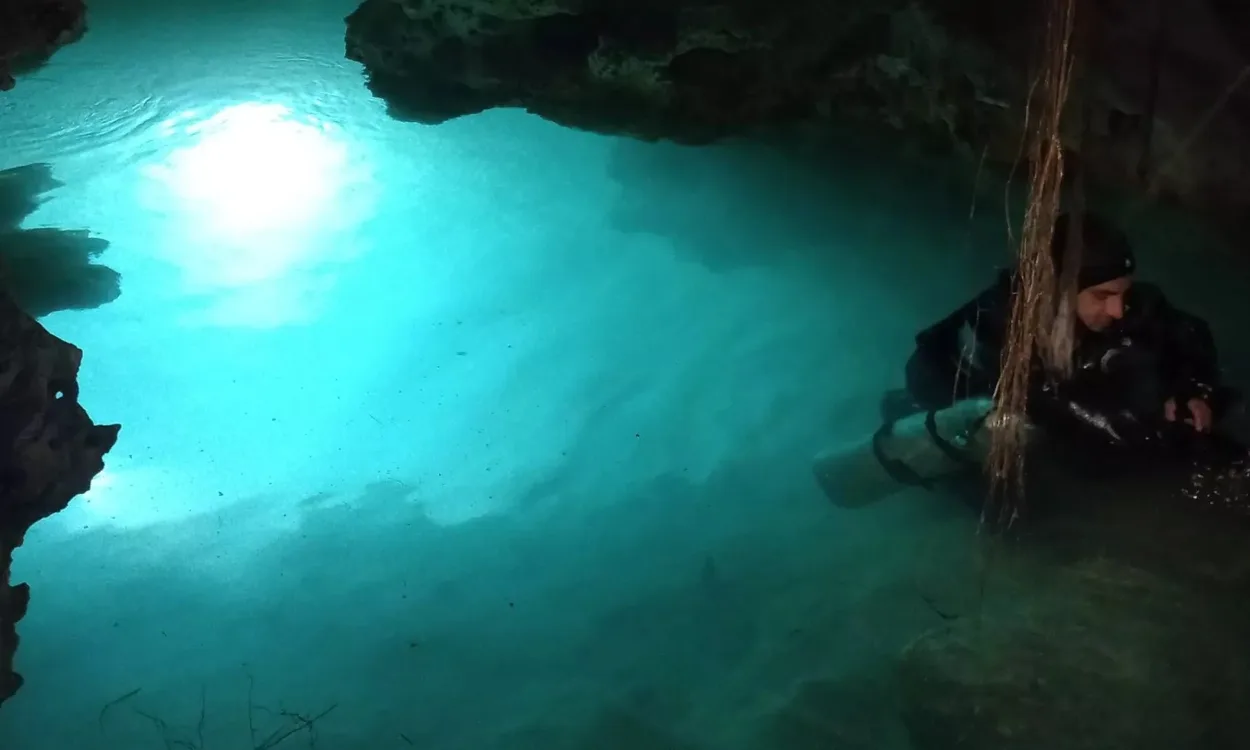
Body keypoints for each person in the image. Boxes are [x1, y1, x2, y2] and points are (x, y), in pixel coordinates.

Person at [884, 210, 1241, 480]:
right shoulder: (1001, 333)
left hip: (1056, 387)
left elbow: (1188, 333)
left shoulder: (1125, 303)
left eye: (1123, 292)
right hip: (954, 393)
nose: (1118, 309)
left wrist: (1196, 392)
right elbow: (1074, 418)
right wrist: (1169, 436)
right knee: (1022, 470)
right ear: (1059, 291)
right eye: (1102, 296)